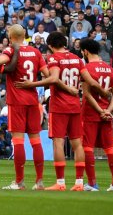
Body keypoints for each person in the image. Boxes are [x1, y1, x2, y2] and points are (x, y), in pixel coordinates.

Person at [0, 23, 47, 190]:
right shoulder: (36, 52)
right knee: (36, 141)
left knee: (18, 141)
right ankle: (39, 181)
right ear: (25, 34)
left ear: (10, 37)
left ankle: (19, 182)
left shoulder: (11, 50)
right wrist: (33, 83)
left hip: (17, 101)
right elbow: (49, 76)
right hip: (33, 101)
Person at [12, 31, 84, 191]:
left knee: (58, 142)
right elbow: (87, 79)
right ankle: (79, 183)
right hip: (75, 105)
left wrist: (32, 84)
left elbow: (53, 78)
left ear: (50, 45)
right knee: (77, 144)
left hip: (59, 106)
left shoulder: (53, 58)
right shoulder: (77, 59)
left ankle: (60, 183)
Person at [78, 37, 113, 191]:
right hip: (106, 115)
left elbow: (87, 94)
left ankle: (92, 183)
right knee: (109, 148)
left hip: (90, 113)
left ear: (86, 51)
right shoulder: (110, 69)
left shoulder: (87, 68)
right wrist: (108, 110)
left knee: (87, 148)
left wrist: (100, 111)